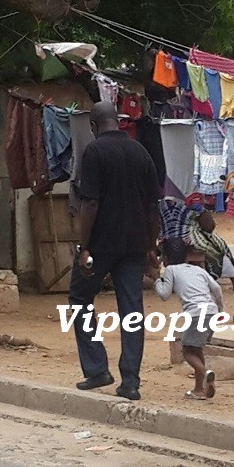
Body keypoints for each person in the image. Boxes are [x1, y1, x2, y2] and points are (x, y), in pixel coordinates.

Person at [69, 102, 160, 400]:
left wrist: (84, 246)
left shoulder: (94, 152)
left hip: (101, 244)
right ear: (117, 122)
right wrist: (151, 246)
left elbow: (90, 203)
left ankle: (97, 369)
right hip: (134, 245)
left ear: (94, 126)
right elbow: (152, 206)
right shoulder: (141, 152)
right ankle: (130, 382)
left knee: (80, 298)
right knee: (132, 310)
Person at [154, 238, 222, 400]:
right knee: (197, 349)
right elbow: (217, 288)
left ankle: (206, 373)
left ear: (166, 259)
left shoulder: (171, 270)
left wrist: (157, 278)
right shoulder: (198, 270)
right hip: (211, 310)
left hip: (195, 313)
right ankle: (199, 389)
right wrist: (220, 308)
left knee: (187, 351)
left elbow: (164, 294)